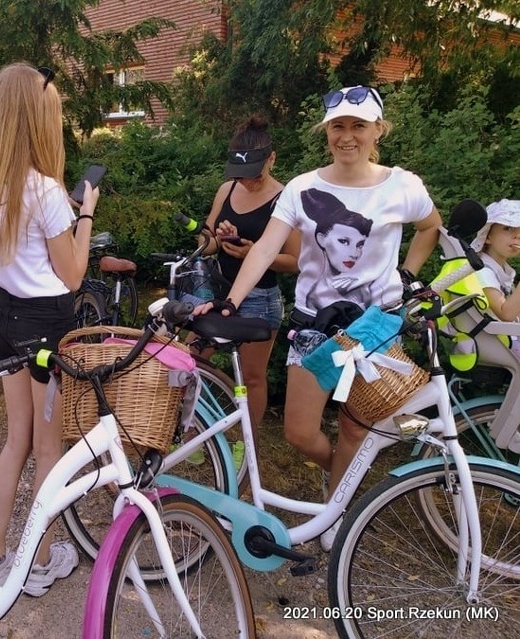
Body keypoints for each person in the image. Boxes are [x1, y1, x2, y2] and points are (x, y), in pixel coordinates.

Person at [194, 85, 442, 550]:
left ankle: (338, 507)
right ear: (327, 131)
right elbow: (267, 247)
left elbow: (431, 226)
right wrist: (232, 300)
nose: (347, 136)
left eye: (358, 126)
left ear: (377, 131)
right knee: (300, 432)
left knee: (353, 426)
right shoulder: (304, 188)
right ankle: (346, 481)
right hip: (313, 327)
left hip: (372, 327)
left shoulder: (403, 186)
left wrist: (408, 273)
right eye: (338, 127)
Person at [0, 63, 97, 596]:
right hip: (49, 326)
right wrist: (86, 216)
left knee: (17, 440)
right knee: (47, 447)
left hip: (7, 319)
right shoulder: (47, 191)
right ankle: (38, 562)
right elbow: (74, 273)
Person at [200, 115, 299, 431]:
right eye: (241, 176)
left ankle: (248, 444)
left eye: (254, 176)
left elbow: (295, 261)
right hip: (218, 291)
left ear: (272, 159)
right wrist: (219, 237)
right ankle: (194, 432)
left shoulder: (286, 199)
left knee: (253, 376)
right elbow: (207, 242)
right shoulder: (227, 189)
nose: (247, 182)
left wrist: (253, 254)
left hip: (260, 299)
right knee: (193, 359)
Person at [471, 198, 520, 356]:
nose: (517, 236)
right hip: (496, 345)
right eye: (508, 228)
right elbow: (506, 314)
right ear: (487, 236)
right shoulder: (482, 270)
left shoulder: (501, 270)